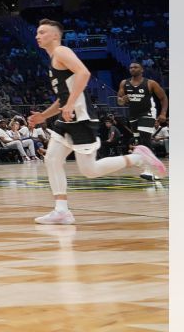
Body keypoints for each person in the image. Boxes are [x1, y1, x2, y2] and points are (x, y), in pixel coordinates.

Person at [28, 19, 166, 225]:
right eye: (37, 32)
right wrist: (43, 116)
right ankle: (61, 210)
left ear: (55, 35)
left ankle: (137, 158)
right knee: (52, 159)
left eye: (43, 32)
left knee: (89, 170)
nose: (38, 36)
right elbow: (63, 98)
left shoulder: (62, 52)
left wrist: (70, 104)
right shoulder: (53, 59)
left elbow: (84, 73)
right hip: (67, 119)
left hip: (81, 118)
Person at [116, 62, 169, 180]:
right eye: (130, 67)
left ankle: (150, 170)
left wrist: (163, 113)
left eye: (135, 67)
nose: (132, 69)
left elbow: (163, 97)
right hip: (133, 114)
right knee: (138, 141)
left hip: (148, 112)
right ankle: (147, 167)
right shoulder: (124, 83)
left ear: (142, 70)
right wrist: (122, 100)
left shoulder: (150, 83)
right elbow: (119, 101)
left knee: (145, 138)